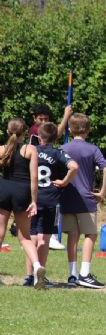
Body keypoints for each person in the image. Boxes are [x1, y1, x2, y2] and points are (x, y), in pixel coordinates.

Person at [22, 122, 79, 287]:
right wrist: (64, 182)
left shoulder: (31, 150)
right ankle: (40, 273)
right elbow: (74, 167)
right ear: (56, 138)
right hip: (51, 199)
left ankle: (30, 275)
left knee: (31, 237)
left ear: (39, 137)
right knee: (45, 238)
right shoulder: (58, 153)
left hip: (32, 199)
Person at [60, 113, 106, 289]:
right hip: (86, 199)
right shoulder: (92, 149)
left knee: (72, 235)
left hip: (67, 197)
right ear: (88, 131)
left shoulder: (63, 148)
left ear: (69, 129)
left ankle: (72, 274)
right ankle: (84, 273)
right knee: (90, 234)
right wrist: (102, 193)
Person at [0, 118, 46, 289]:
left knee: (0, 232)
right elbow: (34, 178)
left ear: (7, 132)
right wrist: (34, 201)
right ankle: (37, 266)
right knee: (25, 237)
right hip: (23, 191)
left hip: (4, 189)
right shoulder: (30, 149)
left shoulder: (1, 149)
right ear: (25, 133)